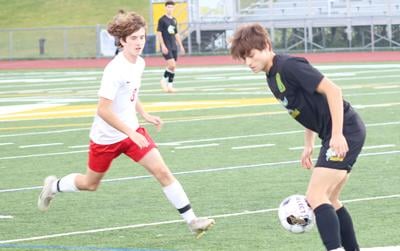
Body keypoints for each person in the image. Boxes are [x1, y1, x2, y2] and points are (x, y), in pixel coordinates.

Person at [38, 10, 214, 239]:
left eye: (141, 37)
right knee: (90, 183)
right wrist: (130, 132)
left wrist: (145, 114)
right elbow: (103, 109)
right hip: (106, 137)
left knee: (162, 172)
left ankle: (192, 221)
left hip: (132, 132)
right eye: (133, 38)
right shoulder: (114, 69)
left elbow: (132, 93)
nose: (139, 42)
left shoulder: (139, 62)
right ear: (122, 41)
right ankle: (53, 186)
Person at [230, 23, 366, 251]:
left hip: (346, 130)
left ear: (266, 45)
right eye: (243, 59)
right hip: (332, 134)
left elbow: (333, 90)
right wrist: (309, 144)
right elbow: (308, 107)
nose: (248, 63)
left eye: (251, 56)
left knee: (314, 196)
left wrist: (337, 134)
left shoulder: (288, 66)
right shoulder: (271, 76)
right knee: (330, 200)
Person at [156, 0, 185, 93]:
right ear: (165, 8)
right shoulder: (162, 20)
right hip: (166, 45)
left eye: (171, 7)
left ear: (174, 8)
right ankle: (163, 80)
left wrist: (180, 45)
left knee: (173, 67)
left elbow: (176, 34)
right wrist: (162, 45)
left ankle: (170, 86)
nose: (170, 8)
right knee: (172, 64)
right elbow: (159, 33)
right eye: (168, 7)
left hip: (173, 45)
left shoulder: (174, 20)